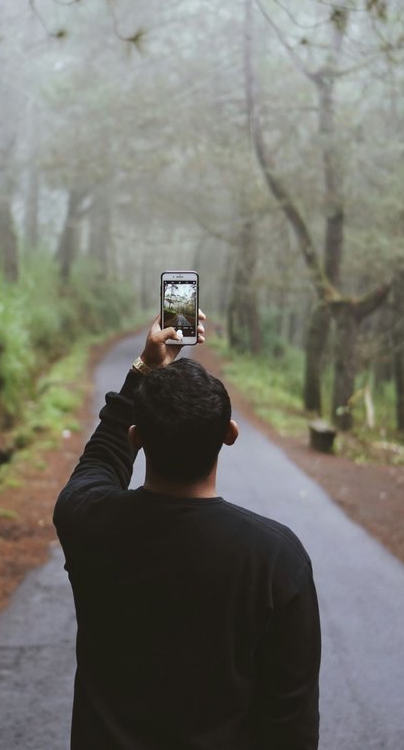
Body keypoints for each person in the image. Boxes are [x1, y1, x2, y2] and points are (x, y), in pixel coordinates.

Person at [53, 312, 321, 750]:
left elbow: (100, 461)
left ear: (137, 438)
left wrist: (142, 368)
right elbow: (290, 720)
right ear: (230, 434)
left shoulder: (87, 520)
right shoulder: (276, 558)